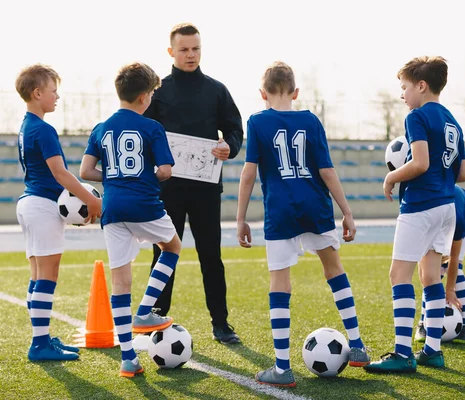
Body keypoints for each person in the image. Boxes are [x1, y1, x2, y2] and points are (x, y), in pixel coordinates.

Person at [236, 61, 370, 387]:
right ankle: (357, 345)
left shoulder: (256, 122)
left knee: (280, 284)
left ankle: (282, 368)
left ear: (262, 94)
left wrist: (240, 218)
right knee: (334, 270)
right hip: (315, 205)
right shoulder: (310, 120)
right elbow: (327, 170)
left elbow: (249, 173)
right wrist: (347, 211)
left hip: (279, 211)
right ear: (296, 92)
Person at [364, 56, 465, 373]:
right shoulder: (453, 122)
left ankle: (402, 353)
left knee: (399, 276)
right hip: (447, 208)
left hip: (420, 207)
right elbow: (462, 172)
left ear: (421, 86)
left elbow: (420, 162)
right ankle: (432, 351)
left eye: (404, 87)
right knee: (429, 278)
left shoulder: (417, 116)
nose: (402, 95)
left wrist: (392, 177)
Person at [143, 22, 244, 344]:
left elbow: (234, 130)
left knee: (210, 256)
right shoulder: (158, 91)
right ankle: (153, 318)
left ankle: (221, 324)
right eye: (184, 49)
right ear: (171, 51)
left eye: (195, 48)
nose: (191, 54)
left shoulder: (216, 89)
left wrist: (229, 145)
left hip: (205, 189)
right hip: (167, 188)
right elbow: (144, 130)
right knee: (163, 254)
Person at [80, 62, 182, 377]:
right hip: (144, 204)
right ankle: (144, 312)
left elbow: (85, 172)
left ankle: (128, 360)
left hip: (112, 208)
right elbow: (165, 170)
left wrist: (113, 178)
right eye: (152, 92)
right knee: (172, 247)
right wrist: (144, 174)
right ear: (143, 97)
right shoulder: (151, 127)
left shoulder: (101, 128)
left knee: (121, 281)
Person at [14, 64, 102, 362]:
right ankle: (39, 344)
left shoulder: (26, 126)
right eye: (53, 91)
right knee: (48, 275)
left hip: (29, 204)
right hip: (41, 206)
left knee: (38, 275)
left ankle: (41, 338)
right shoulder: (43, 128)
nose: (57, 97)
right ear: (37, 93)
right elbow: (61, 173)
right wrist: (91, 200)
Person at [415, 184, 465, 344]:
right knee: (432, 271)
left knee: (452, 268)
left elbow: (454, 258)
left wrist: (450, 290)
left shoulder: (457, 216)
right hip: (437, 216)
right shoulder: (419, 213)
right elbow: (422, 262)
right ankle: (424, 323)